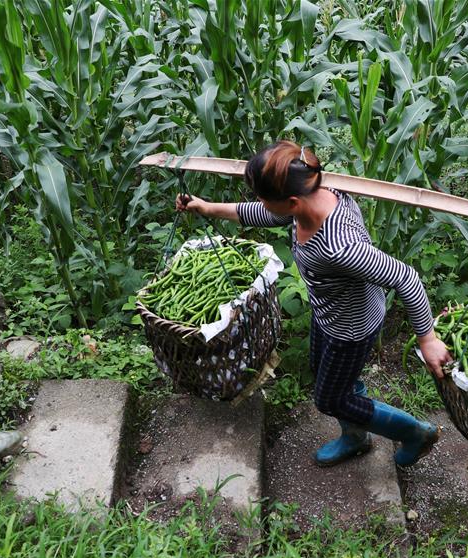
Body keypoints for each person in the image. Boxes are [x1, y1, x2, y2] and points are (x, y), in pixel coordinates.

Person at [176, 140, 451, 467]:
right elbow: (266, 213)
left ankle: (414, 434)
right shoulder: (313, 193)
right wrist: (208, 208)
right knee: (327, 374)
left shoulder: (339, 246)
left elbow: (405, 278)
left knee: (330, 399)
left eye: (262, 196)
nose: (259, 203)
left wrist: (428, 339)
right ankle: (355, 436)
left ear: (291, 202)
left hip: (351, 328)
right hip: (329, 315)